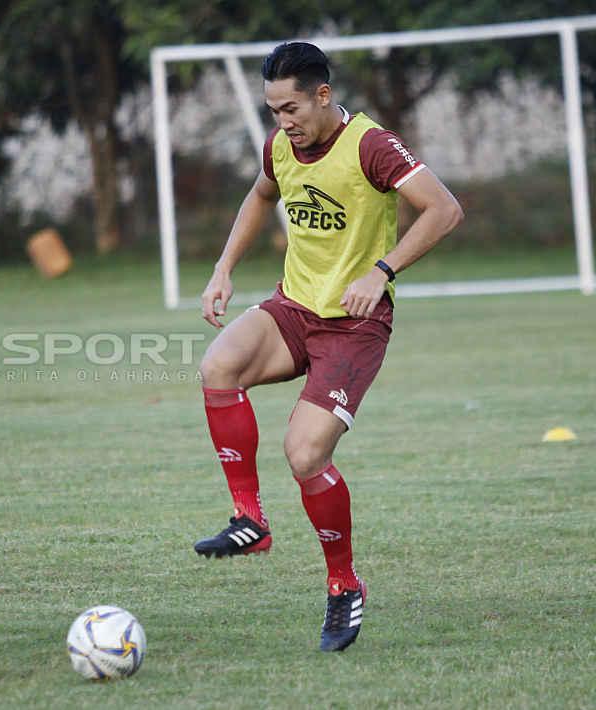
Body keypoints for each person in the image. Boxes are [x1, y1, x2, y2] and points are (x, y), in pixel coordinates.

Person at [192, 43, 463, 651]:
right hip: (295, 306)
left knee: (305, 455)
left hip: (354, 325)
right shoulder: (280, 147)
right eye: (272, 110)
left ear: (322, 95)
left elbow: (444, 210)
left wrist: (383, 269)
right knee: (217, 366)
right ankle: (250, 521)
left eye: (290, 107)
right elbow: (262, 195)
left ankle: (343, 586)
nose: (282, 121)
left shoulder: (370, 145)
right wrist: (223, 269)